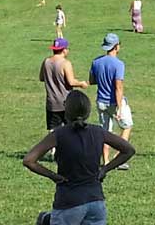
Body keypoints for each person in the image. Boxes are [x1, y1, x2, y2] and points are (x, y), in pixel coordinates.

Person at [23, 90, 135, 225]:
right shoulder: (98, 132)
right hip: (96, 201)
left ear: (66, 109)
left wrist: (53, 176)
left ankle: (46, 219)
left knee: (45, 219)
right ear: (88, 111)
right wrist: (105, 169)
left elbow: (29, 160)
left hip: (68, 201)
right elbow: (129, 150)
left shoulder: (59, 134)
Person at [89, 33, 132, 169]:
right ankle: (118, 158)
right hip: (113, 101)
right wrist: (120, 107)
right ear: (116, 46)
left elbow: (92, 81)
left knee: (105, 132)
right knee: (127, 126)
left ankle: (106, 161)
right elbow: (118, 87)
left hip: (101, 101)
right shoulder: (118, 64)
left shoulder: (96, 62)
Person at [41, 38, 90, 133]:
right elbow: (71, 82)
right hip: (66, 103)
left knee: (53, 132)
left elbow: (42, 77)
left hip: (52, 104)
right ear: (64, 50)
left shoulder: (46, 62)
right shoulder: (65, 63)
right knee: (71, 131)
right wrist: (81, 83)